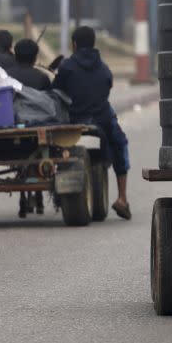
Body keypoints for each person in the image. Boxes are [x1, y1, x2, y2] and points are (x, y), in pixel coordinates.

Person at [52, 26, 131, 219]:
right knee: (120, 144)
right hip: (102, 118)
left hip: (74, 120)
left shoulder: (67, 66)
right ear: (94, 43)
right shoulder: (103, 67)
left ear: (74, 44)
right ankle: (122, 198)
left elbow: (56, 89)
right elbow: (108, 85)